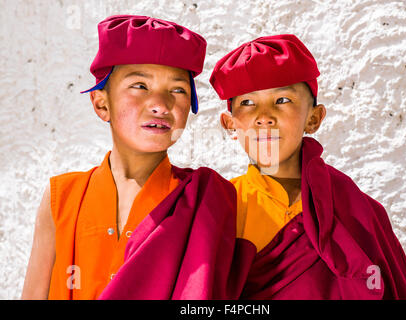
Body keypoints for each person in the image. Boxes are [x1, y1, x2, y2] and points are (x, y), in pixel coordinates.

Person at [22, 14, 246, 300]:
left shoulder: (208, 199)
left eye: (177, 90)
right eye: (140, 86)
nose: (160, 105)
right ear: (102, 104)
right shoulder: (62, 197)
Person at [209, 34, 406, 299]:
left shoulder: (359, 210)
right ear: (230, 124)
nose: (264, 117)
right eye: (247, 103)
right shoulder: (221, 210)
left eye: (283, 100)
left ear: (314, 118)